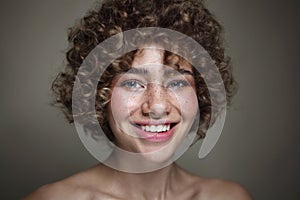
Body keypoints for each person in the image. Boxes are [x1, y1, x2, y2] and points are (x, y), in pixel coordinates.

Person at [24, 0, 252, 199]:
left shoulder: (230, 197)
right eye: (132, 83)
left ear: (200, 93)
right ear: (100, 96)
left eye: (176, 82)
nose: (157, 106)